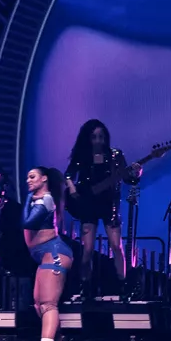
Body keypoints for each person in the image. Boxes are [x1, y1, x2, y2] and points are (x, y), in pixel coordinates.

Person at [63, 119, 136, 301]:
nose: (98, 140)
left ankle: (123, 285)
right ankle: (85, 286)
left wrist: (136, 173)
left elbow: (128, 179)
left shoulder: (115, 155)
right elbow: (68, 175)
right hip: (88, 204)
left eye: (101, 137)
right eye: (94, 137)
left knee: (116, 246)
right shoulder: (82, 156)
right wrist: (72, 189)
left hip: (109, 204)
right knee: (87, 249)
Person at [18, 167, 71, 341]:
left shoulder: (46, 200)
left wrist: (27, 198)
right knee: (39, 304)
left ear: (44, 179)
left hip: (54, 252)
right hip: (44, 255)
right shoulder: (38, 200)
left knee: (48, 303)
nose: (28, 180)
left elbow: (27, 222)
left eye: (32, 177)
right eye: (27, 177)